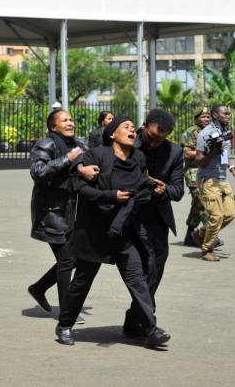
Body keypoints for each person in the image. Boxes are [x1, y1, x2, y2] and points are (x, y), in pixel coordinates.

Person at [56, 116, 170, 349]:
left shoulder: (138, 158)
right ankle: (65, 324)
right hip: (93, 232)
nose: (131, 130)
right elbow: (79, 187)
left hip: (121, 231)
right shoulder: (97, 155)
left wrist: (150, 189)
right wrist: (110, 196)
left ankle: (150, 329)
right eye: (125, 127)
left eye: (132, 127)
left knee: (137, 278)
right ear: (112, 134)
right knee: (82, 281)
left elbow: (141, 187)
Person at [124, 108, 184, 336]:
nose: (154, 143)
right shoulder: (127, 140)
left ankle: (136, 318)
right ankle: (148, 322)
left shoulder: (174, 152)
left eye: (160, 140)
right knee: (143, 268)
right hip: (126, 215)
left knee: (154, 268)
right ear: (144, 126)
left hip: (156, 218)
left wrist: (163, 188)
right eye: (151, 137)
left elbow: (178, 190)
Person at [27, 109, 86, 321]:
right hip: (51, 212)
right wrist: (67, 159)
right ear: (53, 127)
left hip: (72, 211)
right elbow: (38, 171)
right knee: (67, 259)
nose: (70, 123)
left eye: (71, 119)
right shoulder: (46, 144)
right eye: (64, 120)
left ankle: (39, 288)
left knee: (74, 257)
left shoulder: (79, 144)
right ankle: (66, 312)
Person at [192, 104, 235, 261]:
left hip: (222, 179)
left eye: (229, 113)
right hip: (207, 180)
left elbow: (224, 153)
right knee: (216, 216)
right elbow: (199, 160)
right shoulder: (205, 134)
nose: (228, 115)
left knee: (230, 214)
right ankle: (207, 249)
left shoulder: (224, 132)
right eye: (225, 113)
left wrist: (232, 168)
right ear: (215, 115)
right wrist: (213, 152)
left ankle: (202, 233)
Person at [181, 107, 211, 247]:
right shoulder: (190, 132)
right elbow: (186, 154)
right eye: (203, 116)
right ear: (196, 117)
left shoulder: (210, 131)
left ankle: (189, 236)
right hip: (194, 174)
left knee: (197, 206)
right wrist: (206, 151)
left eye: (207, 116)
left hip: (208, 173)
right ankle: (210, 237)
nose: (206, 119)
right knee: (204, 204)